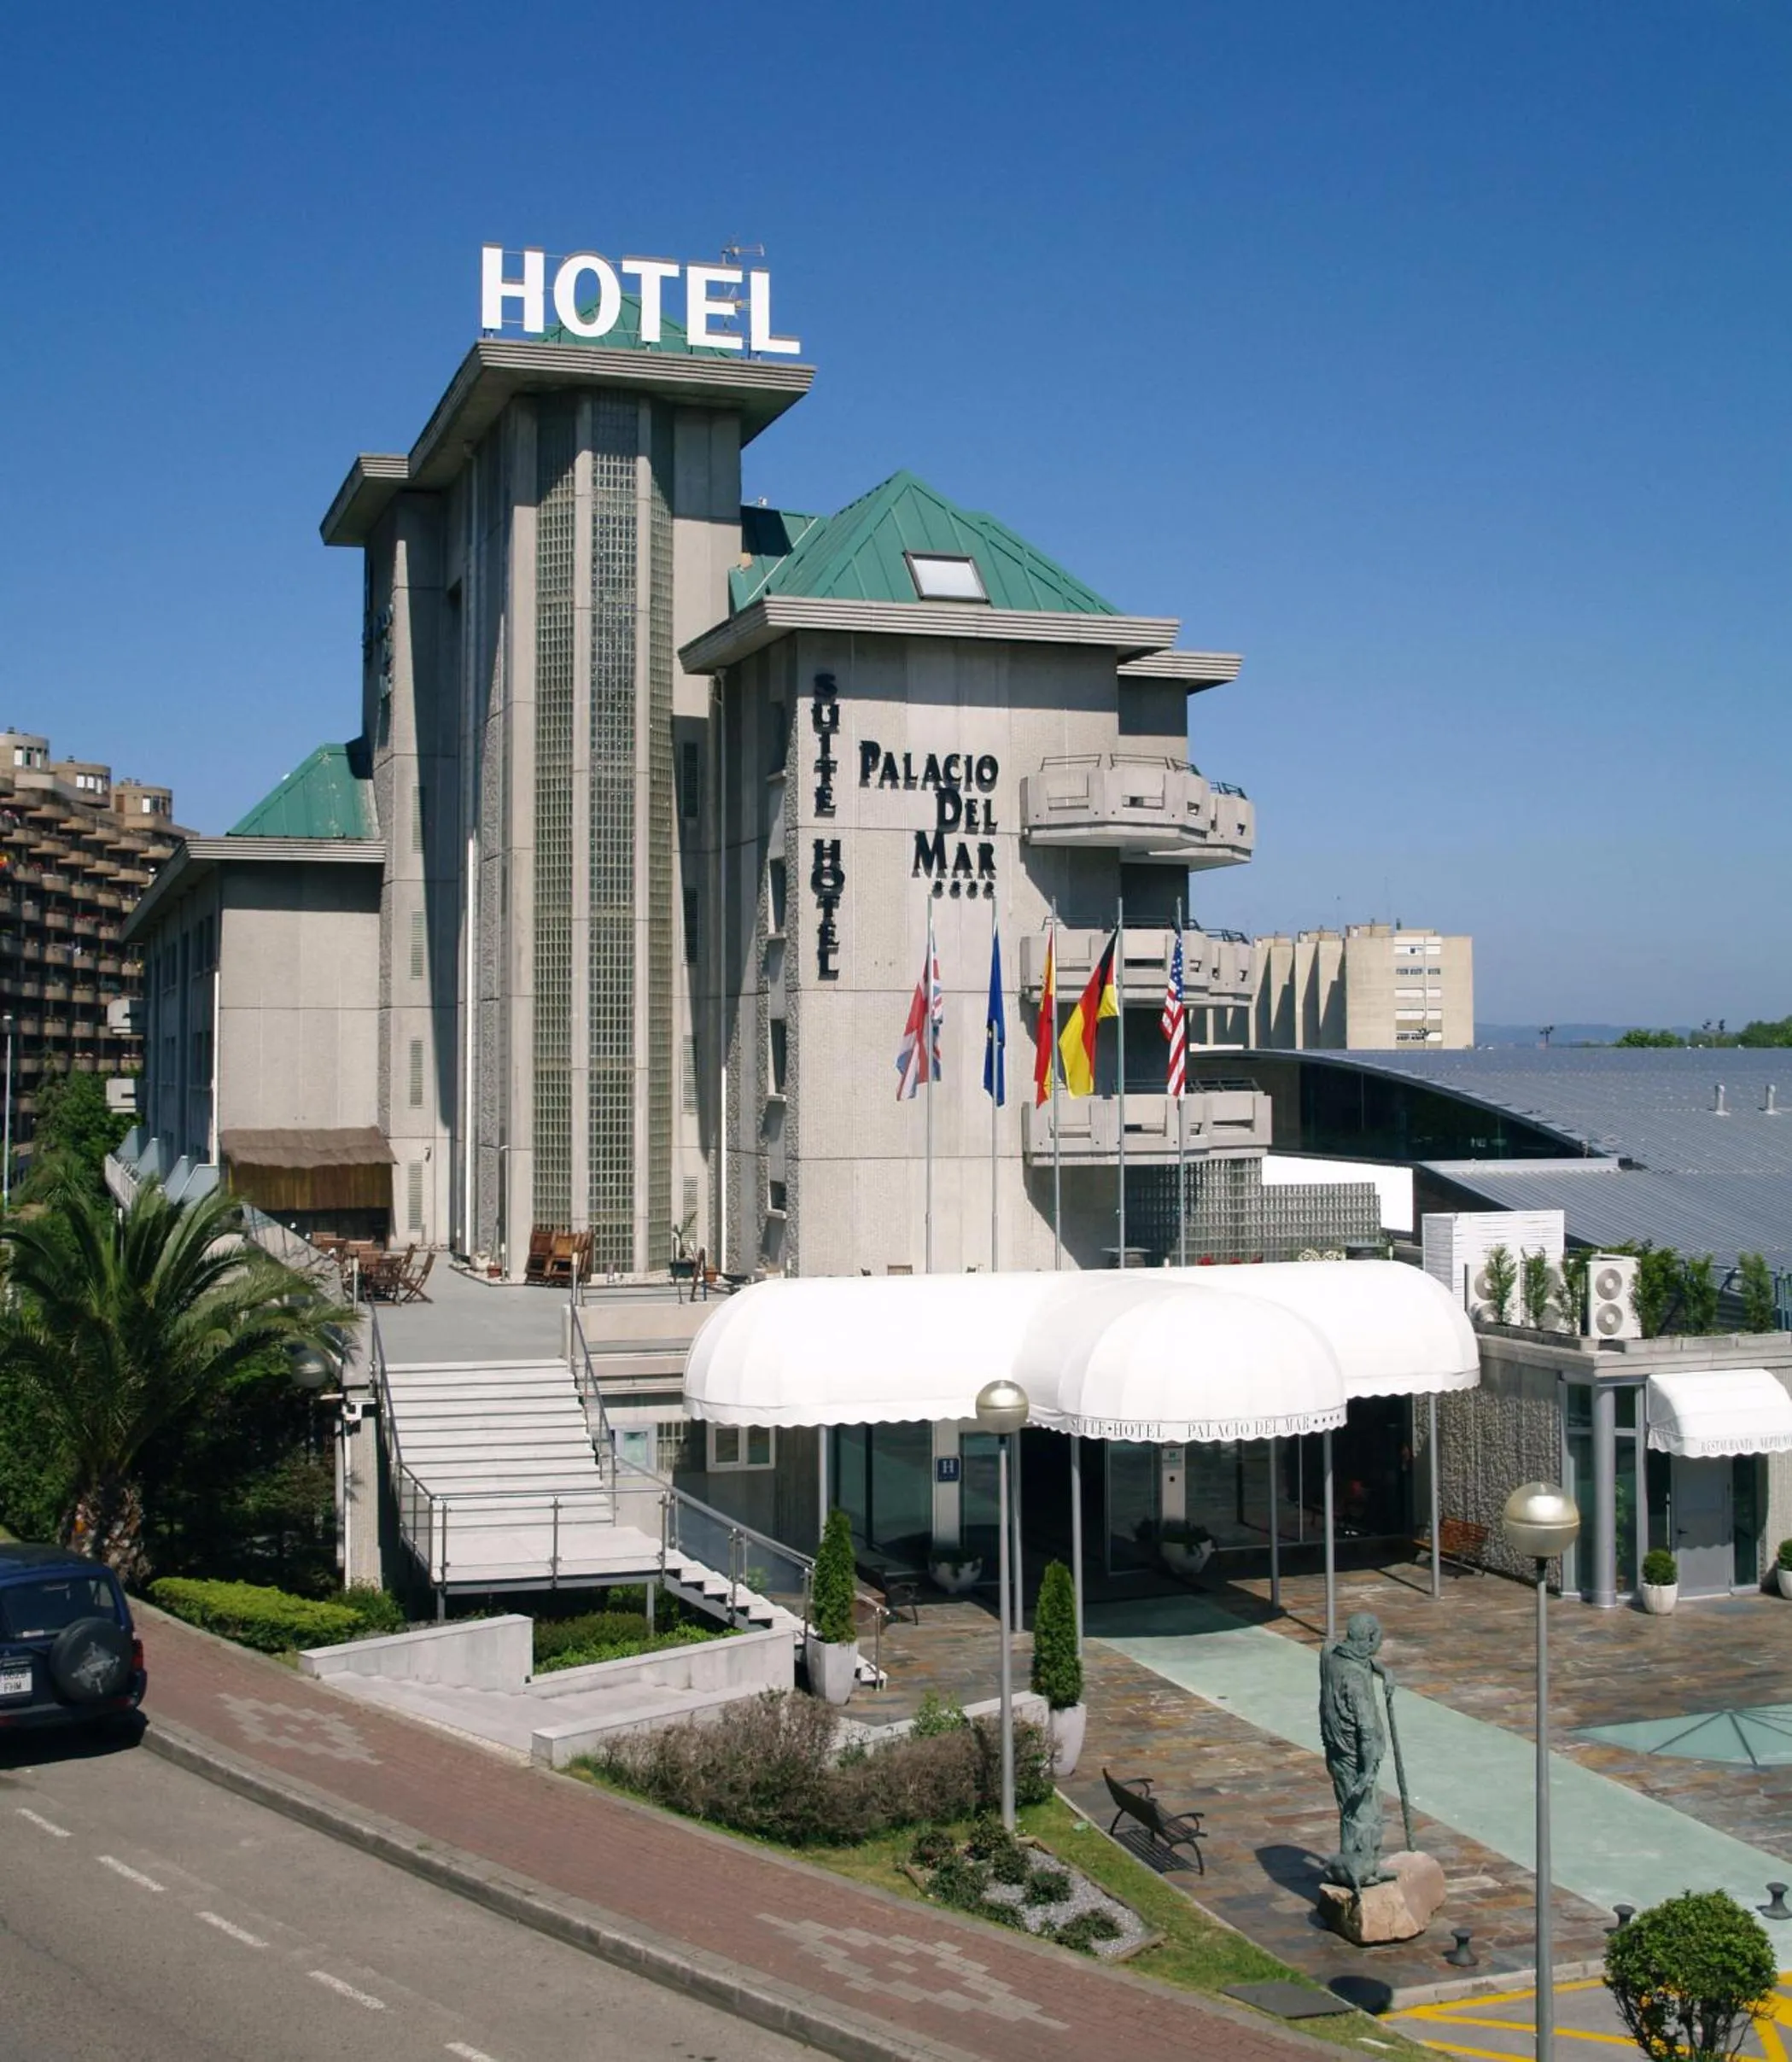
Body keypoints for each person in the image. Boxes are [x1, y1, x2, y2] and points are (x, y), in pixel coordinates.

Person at [1317, 1610, 1393, 1890]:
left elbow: (1359, 1656)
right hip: (1355, 1757)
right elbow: (1367, 1731)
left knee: (1352, 1809)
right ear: (1371, 1637)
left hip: (1335, 1751)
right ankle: (1360, 1869)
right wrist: (1369, 1771)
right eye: (1379, 1639)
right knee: (1364, 1812)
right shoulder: (1356, 1681)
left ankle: (1363, 1865)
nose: (1380, 1643)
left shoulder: (1331, 1654)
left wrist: (1382, 1670)